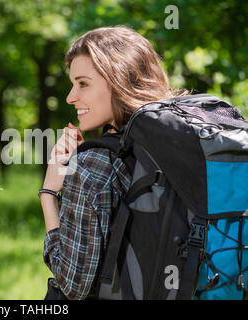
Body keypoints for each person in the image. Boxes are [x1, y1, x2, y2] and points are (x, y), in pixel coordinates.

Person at [39, 25, 187, 300]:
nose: (71, 97)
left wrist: (49, 193)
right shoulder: (180, 144)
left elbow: (73, 285)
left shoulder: (93, 163)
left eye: (83, 83)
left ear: (118, 80)